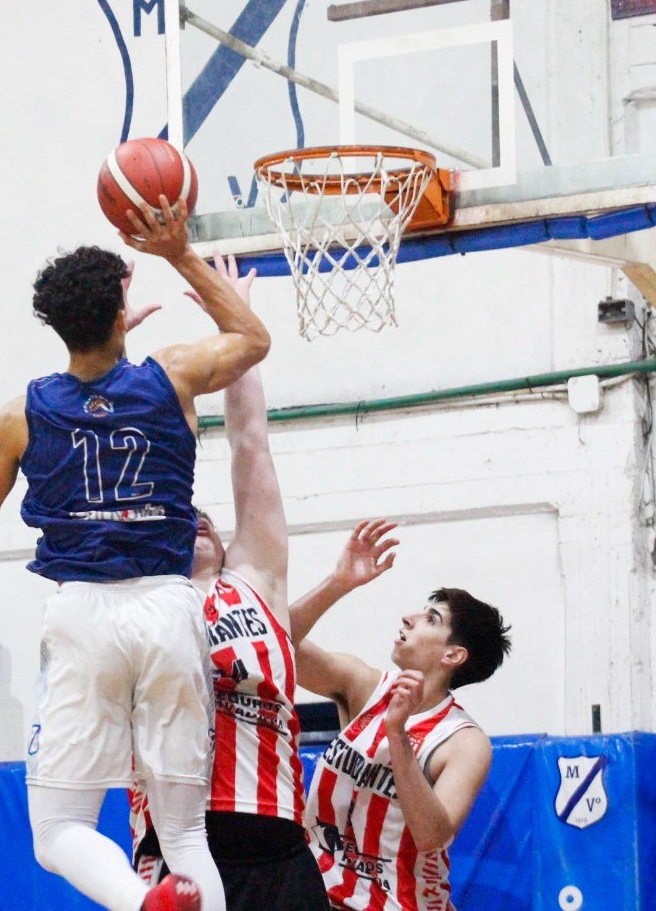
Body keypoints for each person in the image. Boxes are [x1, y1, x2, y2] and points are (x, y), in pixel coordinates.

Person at [0, 197, 270, 911]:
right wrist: (178, 252)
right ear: (121, 315)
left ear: (55, 326)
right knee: (185, 836)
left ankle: (139, 902)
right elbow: (251, 338)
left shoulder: (21, 414)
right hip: (170, 607)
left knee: (58, 833)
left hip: (84, 614)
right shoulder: (172, 375)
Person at [133, 258, 389, 909]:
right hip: (180, 836)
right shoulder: (147, 594)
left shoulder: (253, 581)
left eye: (207, 519)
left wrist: (235, 325)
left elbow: (250, 445)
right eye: (182, 517)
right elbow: (122, 463)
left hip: (276, 842)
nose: (197, 520)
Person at [289, 538, 512, 910]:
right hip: (320, 895)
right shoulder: (362, 685)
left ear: (453, 654)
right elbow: (274, 639)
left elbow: (432, 836)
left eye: (431, 619)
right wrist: (338, 583)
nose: (409, 617)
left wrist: (397, 734)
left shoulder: (464, 742)